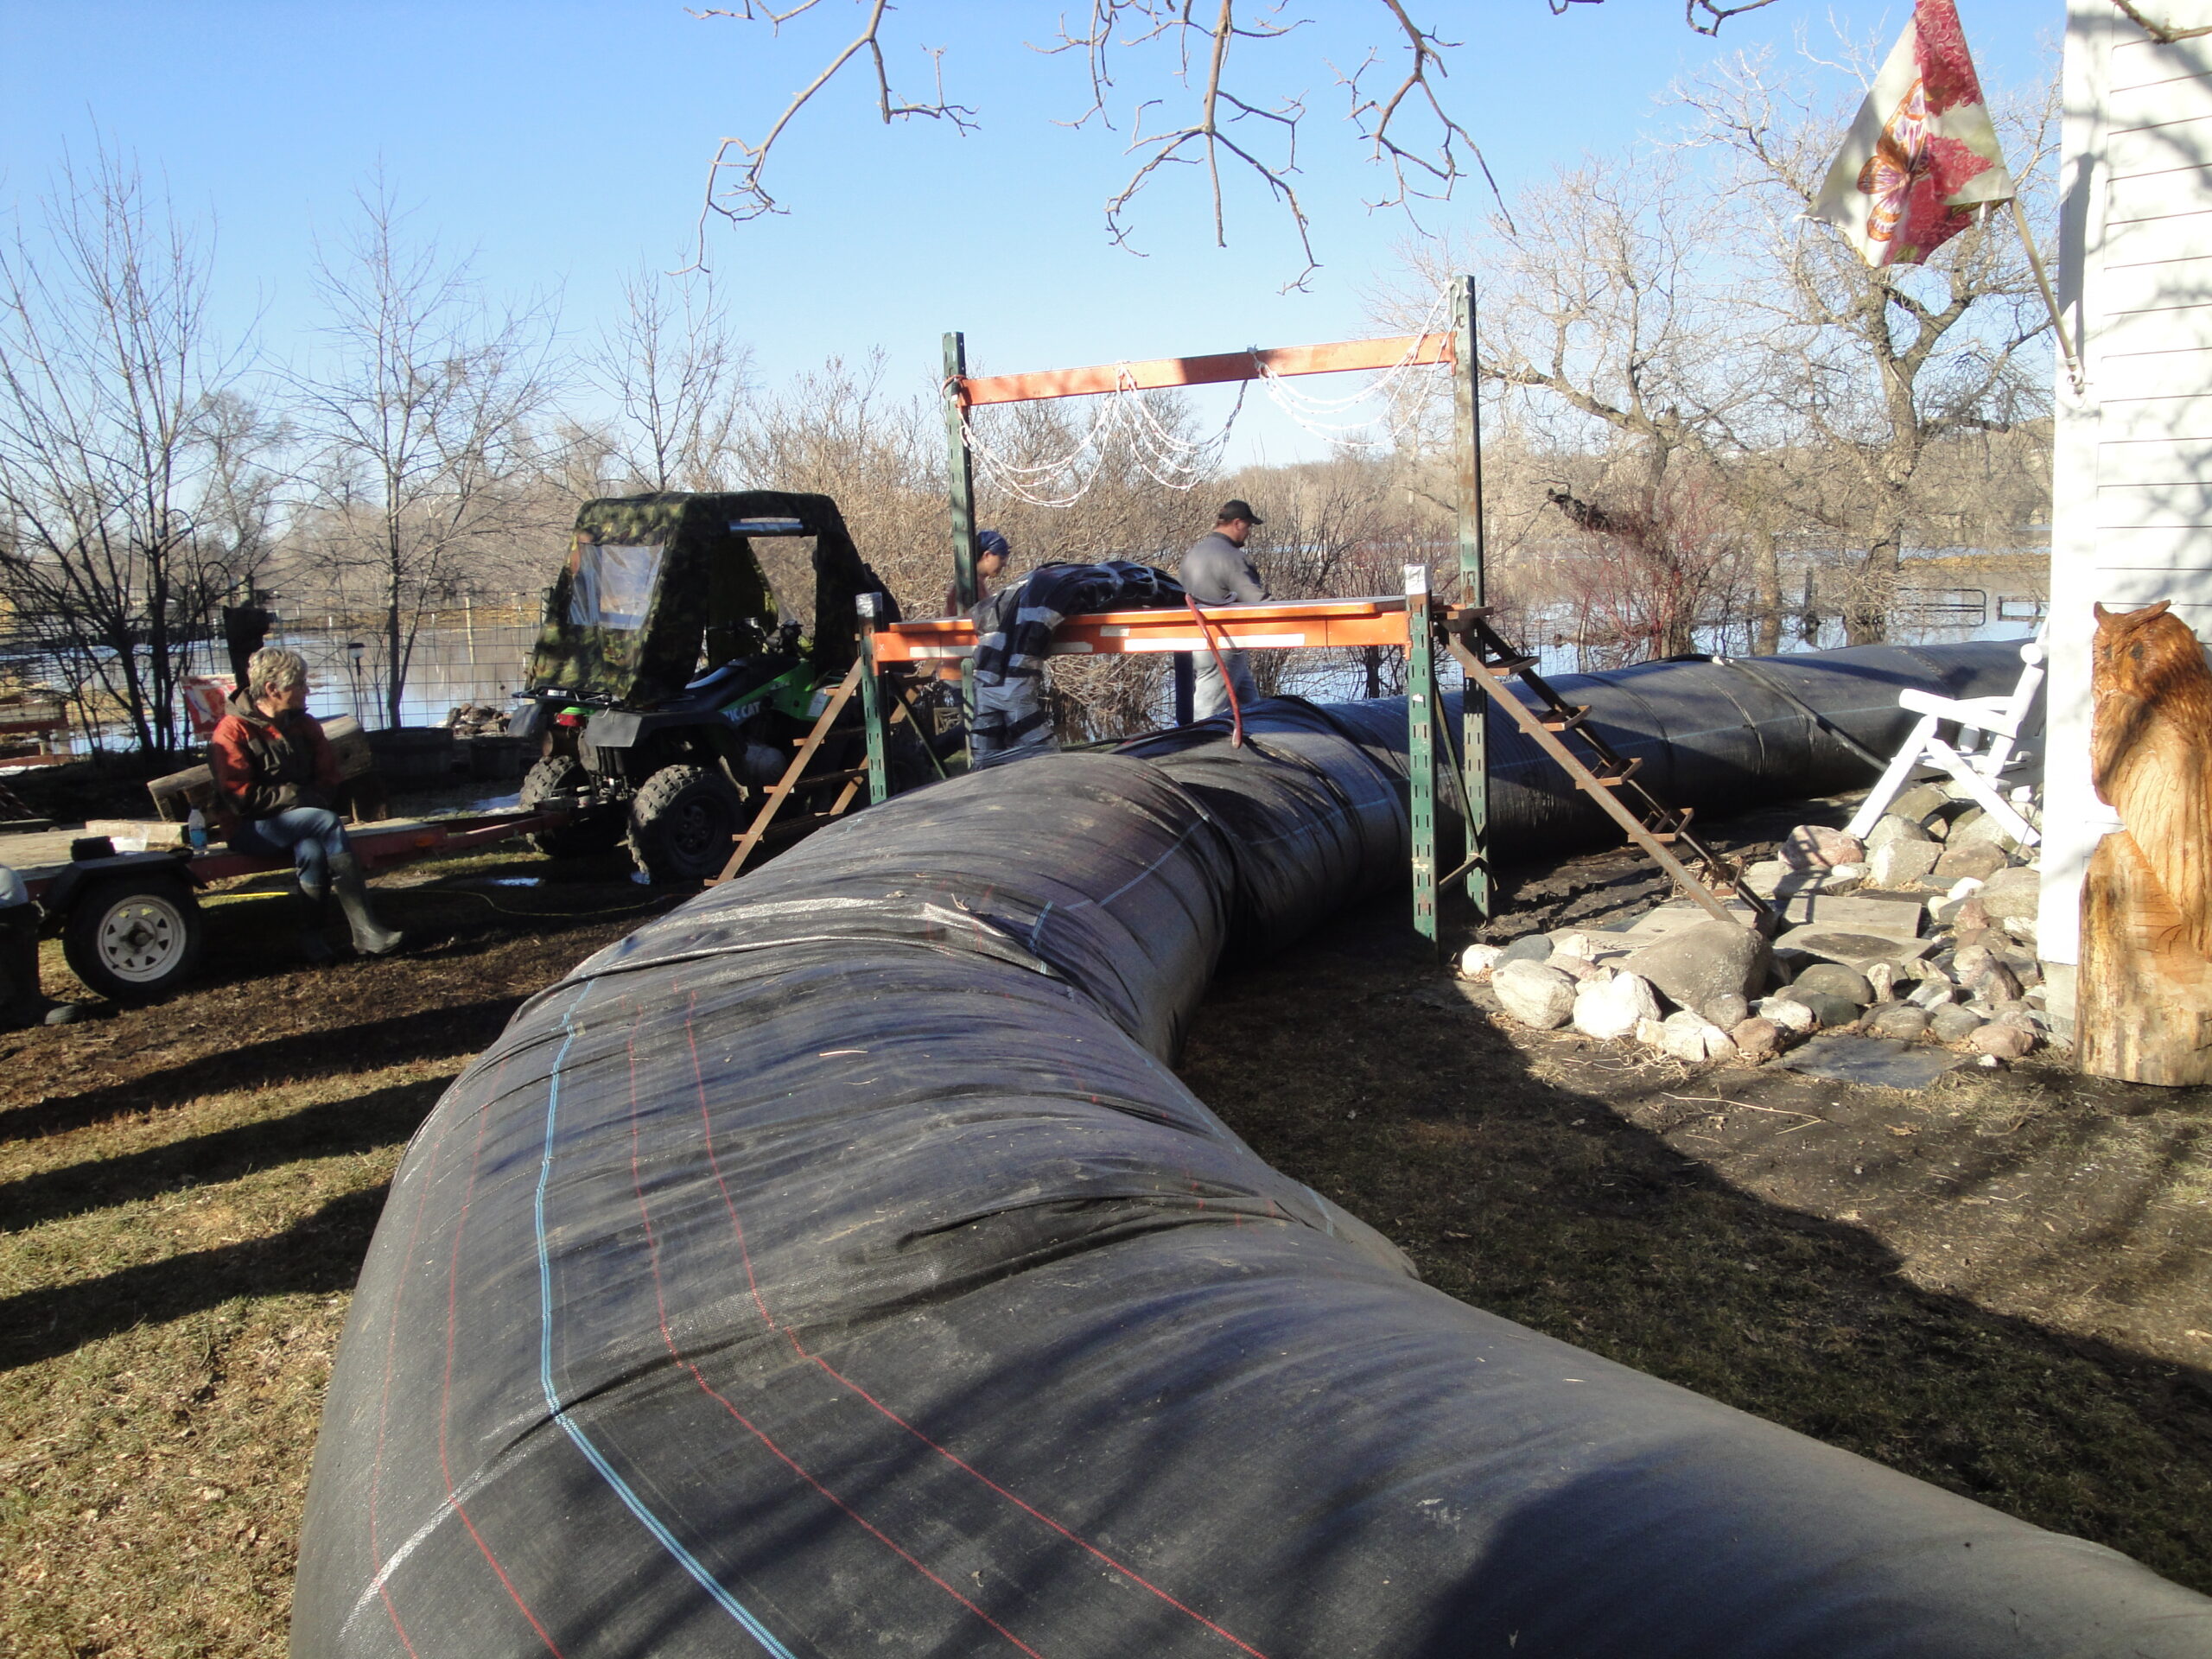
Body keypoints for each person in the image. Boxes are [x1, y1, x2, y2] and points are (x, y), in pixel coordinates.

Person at [208, 647, 404, 963]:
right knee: (324, 821)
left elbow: (329, 778)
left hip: (301, 821)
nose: (307, 690)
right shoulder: (233, 731)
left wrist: (309, 802)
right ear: (273, 690)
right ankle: (365, 930)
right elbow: (240, 798)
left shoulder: (305, 725)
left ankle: (312, 936)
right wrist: (298, 799)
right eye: (299, 684)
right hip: (249, 827)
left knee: (312, 849)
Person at [1178, 499, 1267, 721]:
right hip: (1222, 642)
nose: (1248, 533)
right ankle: (1198, 749)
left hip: (1194, 641)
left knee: (1249, 703)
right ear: (1237, 523)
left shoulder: (1194, 553)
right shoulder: (1231, 557)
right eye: (1248, 526)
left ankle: (1258, 739)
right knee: (1208, 710)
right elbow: (1255, 599)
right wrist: (1287, 614)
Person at [943, 529, 1011, 616]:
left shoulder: (975, 582)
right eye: (1001, 558)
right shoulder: (971, 584)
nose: (1004, 564)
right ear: (987, 555)